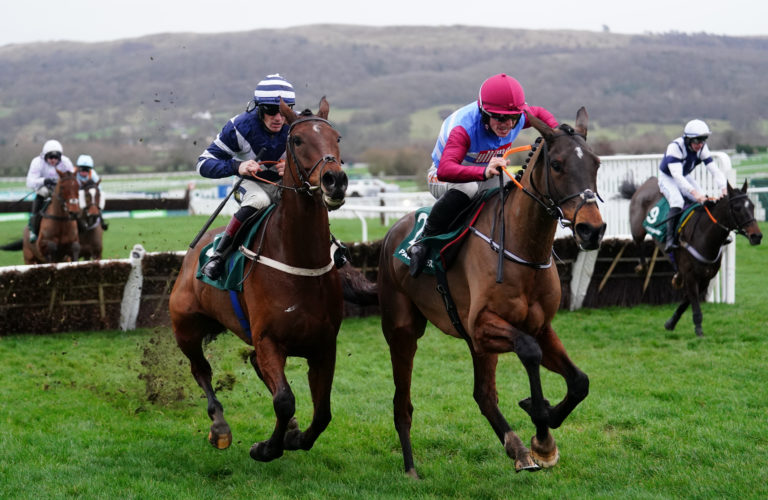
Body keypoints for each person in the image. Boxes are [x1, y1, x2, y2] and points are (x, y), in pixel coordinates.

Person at [407, 73, 559, 277]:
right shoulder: (464, 128)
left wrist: (558, 135)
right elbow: (446, 170)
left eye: (512, 118)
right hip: (443, 176)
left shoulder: (517, 117)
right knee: (468, 187)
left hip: (482, 173)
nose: (506, 124)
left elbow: (539, 113)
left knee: (510, 182)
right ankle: (423, 241)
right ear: (484, 113)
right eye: (499, 118)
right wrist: (483, 171)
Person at [196, 73, 296, 280]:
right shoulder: (238, 127)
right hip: (250, 185)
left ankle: (331, 247)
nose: (278, 118)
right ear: (258, 108)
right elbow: (203, 165)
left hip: (283, 184)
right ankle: (219, 256)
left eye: (284, 111)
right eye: (271, 110)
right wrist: (237, 166)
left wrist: (291, 168)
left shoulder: (296, 127)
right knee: (260, 201)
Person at [657, 119, 727, 253]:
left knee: (704, 201)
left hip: (684, 175)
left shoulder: (702, 148)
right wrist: (696, 194)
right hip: (668, 177)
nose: (700, 144)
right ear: (688, 139)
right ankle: (670, 239)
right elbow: (677, 177)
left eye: (703, 140)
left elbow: (714, 170)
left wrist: (724, 190)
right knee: (678, 201)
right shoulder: (675, 147)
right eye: (697, 140)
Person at [25, 139, 75, 242]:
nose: (53, 160)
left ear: (60, 157)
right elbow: (29, 182)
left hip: (60, 189)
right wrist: (44, 180)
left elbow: (72, 178)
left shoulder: (66, 162)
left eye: (56, 157)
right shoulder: (37, 162)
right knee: (41, 192)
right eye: (50, 157)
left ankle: (79, 224)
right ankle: (33, 228)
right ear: (45, 156)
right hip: (44, 188)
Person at [75, 154, 108, 230]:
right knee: (81, 194)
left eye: (86, 170)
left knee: (101, 195)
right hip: (76, 194)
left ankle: (101, 218)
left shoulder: (92, 173)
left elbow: (99, 188)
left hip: (89, 195)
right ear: (78, 168)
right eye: (82, 169)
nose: (84, 172)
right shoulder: (74, 173)